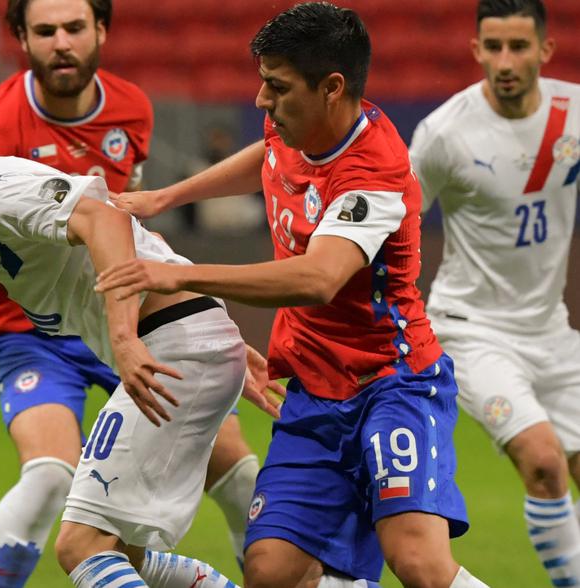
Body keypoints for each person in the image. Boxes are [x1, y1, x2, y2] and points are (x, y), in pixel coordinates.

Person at [99, 3, 490, 587]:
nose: (261, 100)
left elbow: (317, 278)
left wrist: (179, 274)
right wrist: (164, 198)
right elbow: (268, 158)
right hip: (312, 391)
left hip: (391, 383)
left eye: (277, 87)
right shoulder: (293, 125)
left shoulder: (374, 172)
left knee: (418, 562)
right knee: (271, 572)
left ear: (332, 87)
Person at [0, 101, 280, 588]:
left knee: (80, 547)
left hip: (170, 344)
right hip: (183, 337)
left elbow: (102, 218)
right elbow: (126, 236)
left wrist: (136, 336)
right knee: (121, 550)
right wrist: (212, 329)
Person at [0, 0, 261, 583]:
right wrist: (48, 237)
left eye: (75, 28)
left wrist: (200, 323)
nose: (61, 42)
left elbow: (126, 220)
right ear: (21, 39)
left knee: (238, 474)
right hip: (27, 329)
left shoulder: (131, 108)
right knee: (50, 477)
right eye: (45, 31)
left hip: (120, 316)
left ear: (101, 30)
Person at [409, 1, 580, 584]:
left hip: (552, 331)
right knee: (544, 462)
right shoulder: (444, 134)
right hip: (472, 329)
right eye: (494, 47)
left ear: (545, 51)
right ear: (476, 49)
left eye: (519, 47)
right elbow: (399, 225)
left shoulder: (573, 112)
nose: (505, 61)